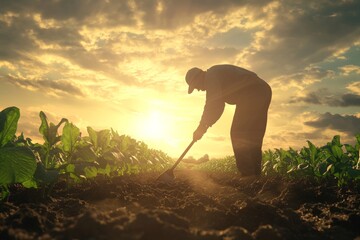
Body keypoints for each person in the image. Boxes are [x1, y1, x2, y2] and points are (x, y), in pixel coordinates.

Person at [185, 64, 272, 176]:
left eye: (195, 86)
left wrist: (201, 127)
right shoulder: (214, 75)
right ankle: (255, 176)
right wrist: (204, 126)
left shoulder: (211, 76)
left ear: (198, 77)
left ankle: (247, 175)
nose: (197, 89)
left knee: (238, 133)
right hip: (262, 90)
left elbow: (213, 104)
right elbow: (218, 106)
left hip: (252, 93)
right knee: (252, 136)